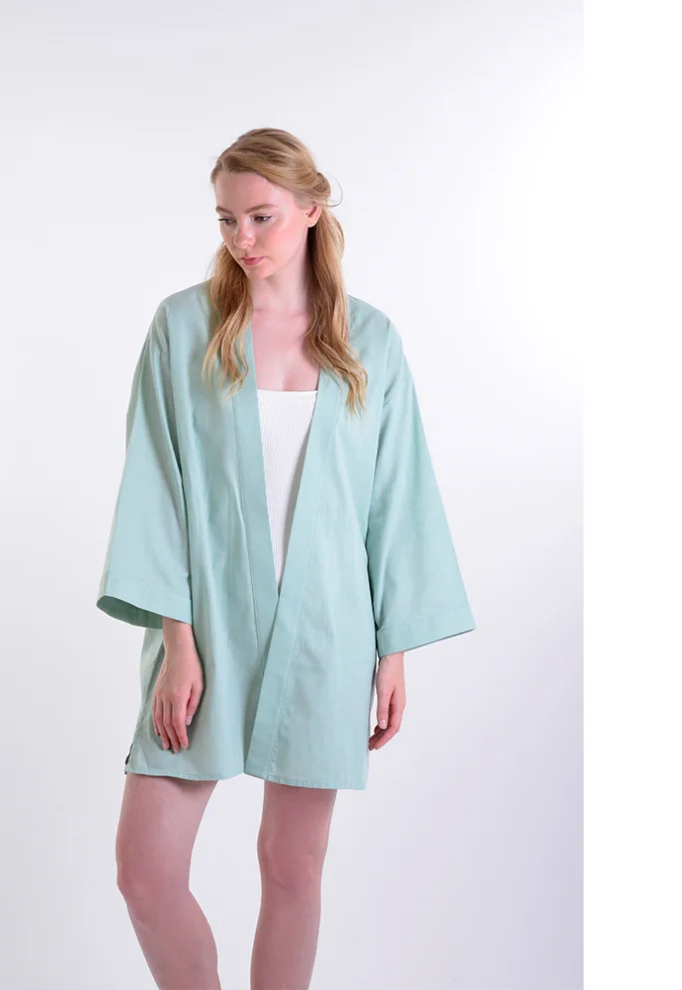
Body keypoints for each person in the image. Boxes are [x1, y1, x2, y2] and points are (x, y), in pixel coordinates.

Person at [98, 127, 476, 989]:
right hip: (206, 629)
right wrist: (177, 642)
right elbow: (157, 486)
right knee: (146, 873)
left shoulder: (369, 340)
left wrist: (392, 650)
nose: (243, 238)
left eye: (261, 216)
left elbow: (396, 499)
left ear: (310, 208)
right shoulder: (184, 327)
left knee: (293, 868)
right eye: (226, 218)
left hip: (327, 634)